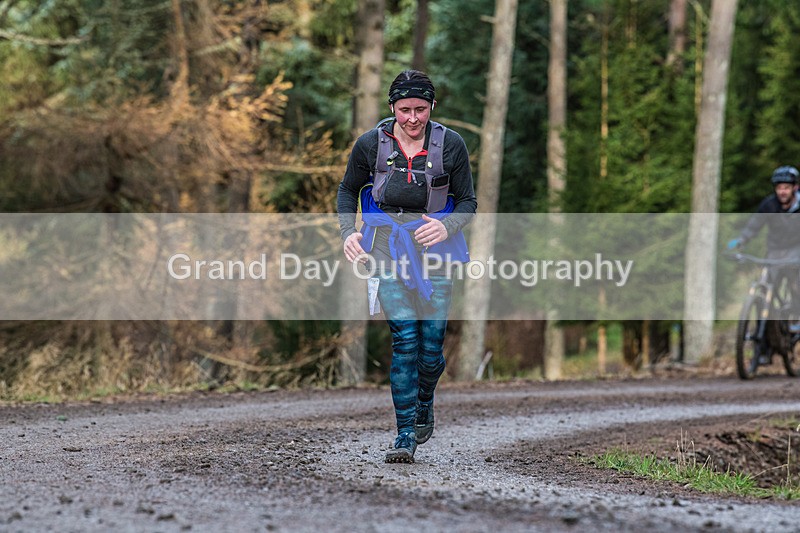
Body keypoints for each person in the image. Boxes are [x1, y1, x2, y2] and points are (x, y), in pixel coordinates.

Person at [337, 70, 477, 463]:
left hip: (436, 248)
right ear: (392, 108)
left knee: (431, 351)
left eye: (420, 108)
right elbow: (348, 189)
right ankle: (404, 435)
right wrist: (349, 231)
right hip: (385, 246)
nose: (412, 117)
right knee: (405, 342)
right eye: (404, 109)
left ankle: (424, 401)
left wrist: (446, 225)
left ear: (432, 106)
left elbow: (468, 201)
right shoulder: (371, 144)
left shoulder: (451, 144)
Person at [728, 165, 800, 319]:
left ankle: (796, 318)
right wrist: (741, 240)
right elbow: (754, 225)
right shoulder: (769, 204)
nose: (782, 192)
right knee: (767, 286)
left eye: (786, 188)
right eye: (779, 188)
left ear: (795, 188)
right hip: (774, 251)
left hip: (796, 250)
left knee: (796, 286)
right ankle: (766, 329)